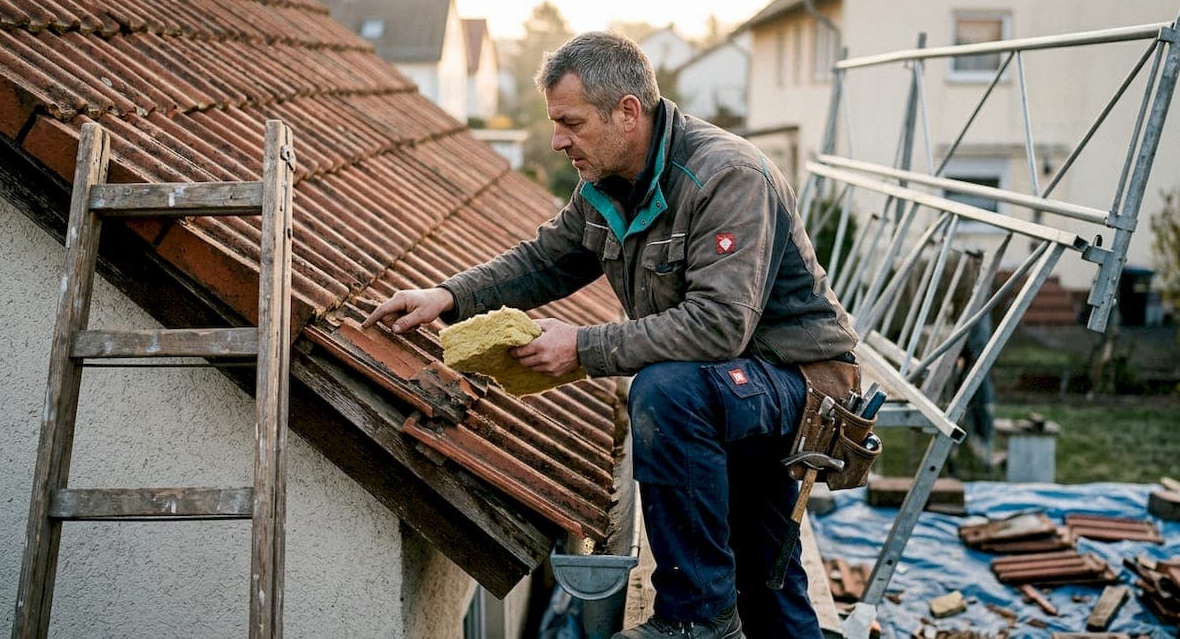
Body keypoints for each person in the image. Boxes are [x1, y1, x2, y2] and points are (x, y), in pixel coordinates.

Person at [363, 31, 858, 638]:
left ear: (627, 111)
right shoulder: (605, 185)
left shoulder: (727, 176)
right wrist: (447, 296)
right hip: (729, 389)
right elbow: (543, 261)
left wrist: (582, 347)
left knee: (666, 392)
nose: (557, 140)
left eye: (570, 122)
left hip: (799, 384)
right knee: (767, 580)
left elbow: (719, 324)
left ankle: (696, 619)